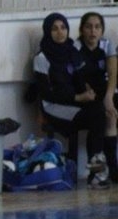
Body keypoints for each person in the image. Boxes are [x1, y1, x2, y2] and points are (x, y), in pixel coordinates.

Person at [34, 12, 109, 189]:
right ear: (47, 31)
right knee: (95, 117)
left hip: (74, 102)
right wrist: (77, 97)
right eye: (54, 29)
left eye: (63, 28)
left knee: (99, 111)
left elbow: (80, 76)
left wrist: (88, 91)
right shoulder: (41, 58)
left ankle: (96, 170)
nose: (60, 33)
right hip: (54, 106)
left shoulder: (71, 50)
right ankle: (97, 173)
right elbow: (46, 93)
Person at [75, 11, 118, 182]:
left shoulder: (107, 45)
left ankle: (112, 167)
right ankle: (96, 171)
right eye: (89, 27)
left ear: (102, 30)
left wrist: (108, 96)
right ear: (82, 29)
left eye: (97, 27)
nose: (93, 31)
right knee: (100, 115)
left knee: (111, 114)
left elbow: (113, 74)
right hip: (85, 95)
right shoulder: (75, 48)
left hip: (103, 92)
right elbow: (76, 77)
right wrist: (86, 93)